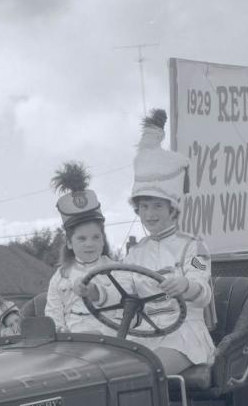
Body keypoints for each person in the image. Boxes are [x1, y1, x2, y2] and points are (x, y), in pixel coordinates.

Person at [86, 109, 214, 376]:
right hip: (142, 332)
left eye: (157, 206)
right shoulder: (136, 254)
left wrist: (185, 285)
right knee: (106, 372)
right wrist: (95, 292)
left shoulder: (194, 246)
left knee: (145, 372)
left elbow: (203, 292)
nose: (150, 214)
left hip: (184, 334)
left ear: (172, 209)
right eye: (144, 207)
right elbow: (119, 287)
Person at [44, 162, 116, 334]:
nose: (89, 243)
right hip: (73, 339)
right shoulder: (60, 277)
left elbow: (121, 301)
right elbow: (53, 313)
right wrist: (60, 331)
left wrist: (95, 292)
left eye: (96, 237)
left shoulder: (114, 270)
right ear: (69, 243)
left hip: (109, 336)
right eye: (82, 238)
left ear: (103, 240)